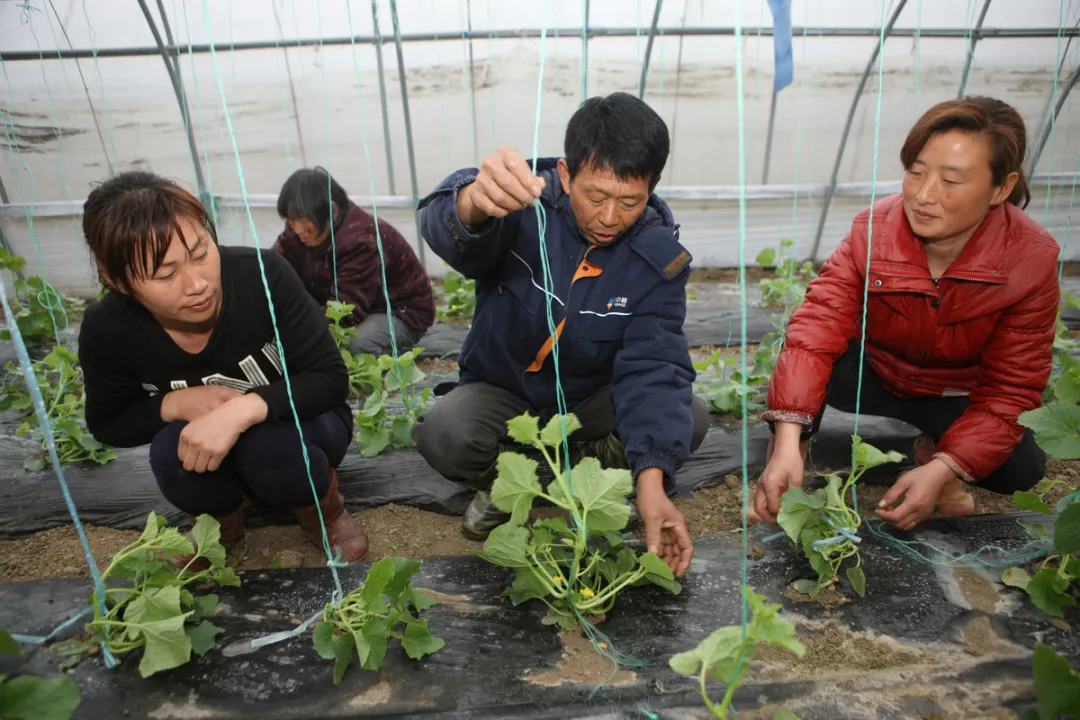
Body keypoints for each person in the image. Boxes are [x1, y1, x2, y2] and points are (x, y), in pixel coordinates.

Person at [413, 92, 709, 577]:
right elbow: (453, 236)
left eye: (630, 201)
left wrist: (652, 482)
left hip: (590, 399)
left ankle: (570, 468)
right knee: (449, 432)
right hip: (507, 391)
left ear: (652, 187)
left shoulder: (659, 259)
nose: (610, 217)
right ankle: (518, 480)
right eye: (596, 196)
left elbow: (653, 365)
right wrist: (469, 203)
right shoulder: (521, 205)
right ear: (567, 173)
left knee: (687, 419)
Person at [754, 96, 1059, 532]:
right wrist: (785, 440)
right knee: (812, 357)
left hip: (952, 395)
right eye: (916, 172)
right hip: (873, 375)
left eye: (951, 181)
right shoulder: (872, 231)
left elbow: (1012, 390)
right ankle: (787, 469)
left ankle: (935, 455)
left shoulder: (1030, 262)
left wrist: (943, 470)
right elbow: (814, 332)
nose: (924, 195)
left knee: (1020, 468)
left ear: (1001, 188)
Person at [78, 170, 368, 566]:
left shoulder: (262, 275)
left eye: (200, 254)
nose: (196, 284)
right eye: (165, 274)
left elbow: (330, 381)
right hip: (213, 455)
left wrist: (242, 409)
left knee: (266, 444)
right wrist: (176, 403)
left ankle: (324, 511)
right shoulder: (107, 329)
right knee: (171, 453)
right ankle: (218, 526)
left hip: (308, 431)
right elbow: (108, 423)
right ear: (119, 281)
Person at [274, 167, 436, 357]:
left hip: (397, 312)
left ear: (332, 210)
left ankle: (396, 346)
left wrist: (292, 324)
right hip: (346, 305)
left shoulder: (359, 241)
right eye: (292, 221)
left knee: (353, 345)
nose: (299, 230)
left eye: (303, 221)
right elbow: (275, 269)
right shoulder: (296, 232)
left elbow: (346, 312)